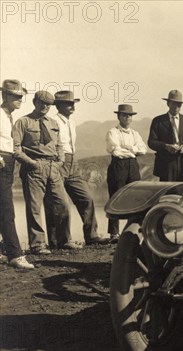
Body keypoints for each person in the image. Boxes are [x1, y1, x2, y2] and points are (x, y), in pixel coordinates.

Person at [13, 91, 79, 254]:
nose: (45, 107)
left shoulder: (53, 122)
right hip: (33, 168)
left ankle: (64, 240)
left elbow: (59, 146)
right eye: (42, 103)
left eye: (48, 104)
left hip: (53, 167)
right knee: (34, 208)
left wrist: (60, 162)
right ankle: (38, 245)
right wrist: (32, 163)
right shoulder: (23, 122)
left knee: (62, 203)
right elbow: (15, 149)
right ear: (35, 102)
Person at [45, 91, 109, 248]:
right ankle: (61, 241)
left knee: (86, 198)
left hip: (73, 163)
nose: (72, 106)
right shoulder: (52, 121)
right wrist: (57, 161)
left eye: (73, 103)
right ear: (59, 106)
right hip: (58, 161)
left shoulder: (72, 122)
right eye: (68, 103)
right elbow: (49, 145)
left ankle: (92, 236)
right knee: (59, 204)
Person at [0, 79, 34, 269]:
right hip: (2, 160)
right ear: (5, 96)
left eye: (22, 96)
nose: (20, 100)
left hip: (8, 160)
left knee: (2, 206)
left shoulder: (8, 116)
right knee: (6, 208)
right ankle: (15, 254)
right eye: (16, 96)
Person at [106, 104, 148, 242]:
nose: (127, 117)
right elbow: (116, 151)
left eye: (129, 115)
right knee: (116, 197)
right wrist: (133, 150)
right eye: (124, 115)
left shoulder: (135, 133)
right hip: (118, 166)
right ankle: (114, 233)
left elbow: (143, 149)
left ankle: (132, 231)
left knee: (135, 197)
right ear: (119, 117)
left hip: (133, 166)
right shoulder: (113, 132)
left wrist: (129, 148)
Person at [148, 90, 183, 181]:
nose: (176, 107)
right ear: (168, 103)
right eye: (174, 103)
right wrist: (165, 146)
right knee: (168, 193)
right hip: (166, 164)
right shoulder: (158, 121)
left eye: (179, 104)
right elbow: (151, 142)